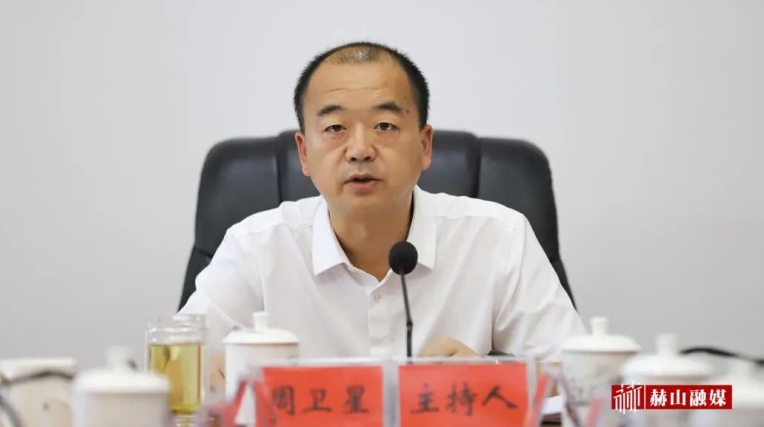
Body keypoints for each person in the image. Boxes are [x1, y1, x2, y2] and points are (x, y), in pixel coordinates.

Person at [179, 41, 585, 370]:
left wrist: (489, 375)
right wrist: (210, 379)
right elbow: (175, 367)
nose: (360, 149)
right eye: (335, 128)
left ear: (424, 145)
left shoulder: (499, 238)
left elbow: (602, 388)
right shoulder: (255, 248)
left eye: (385, 126)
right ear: (304, 153)